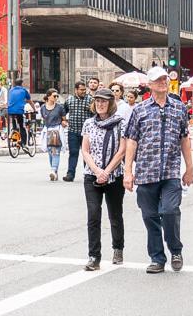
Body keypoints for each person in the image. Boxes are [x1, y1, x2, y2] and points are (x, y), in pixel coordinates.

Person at [124, 66, 193, 274]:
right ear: (150, 85)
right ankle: (157, 258)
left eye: (164, 79)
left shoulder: (179, 107)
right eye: (158, 80)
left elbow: (184, 138)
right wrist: (128, 172)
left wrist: (189, 168)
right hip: (146, 173)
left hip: (171, 172)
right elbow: (131, 142)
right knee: (150, 216)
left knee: (170, 211)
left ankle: (175, 250)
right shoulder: (140, 110)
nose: (163, 82)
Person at [81, 88, 126, 271]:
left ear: (110, 103)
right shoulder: (89, 124)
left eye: (104, 101)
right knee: (93, 215)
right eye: (97, 101)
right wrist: (97, 171)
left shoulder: (120, 123)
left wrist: (106, 171)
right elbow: (85, 150)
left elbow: (122, 150)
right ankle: (94, 256)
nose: (100, 104)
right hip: (92, 175)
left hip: (114, 175)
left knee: (115, 214)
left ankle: (118, 248)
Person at [62, 81, 92, 182]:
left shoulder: (91, 100)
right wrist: (63, 120)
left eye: (85, 89)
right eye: (81, 90)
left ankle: (88, 174)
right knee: (73, 153)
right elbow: (63, 112)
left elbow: (95, 115)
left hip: (87, 133)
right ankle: (70, 174)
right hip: (73, 131)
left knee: (87, 154)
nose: (83, 91)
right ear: (76, 90)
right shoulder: (69, 100)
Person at [40, 89, 67, 181]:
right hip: (47, 131)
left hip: (56, 131)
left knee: (55, 151)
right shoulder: (43, 107)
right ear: (48, 96)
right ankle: (54, 172)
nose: (56, 98)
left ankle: (53, 169)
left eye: (57, 96)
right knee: (50, 152)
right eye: (54, 96)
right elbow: (44, 119)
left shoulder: (59, 107)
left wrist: (64, 122)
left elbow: (64, 119)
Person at [7, 78, 35, 147]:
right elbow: (30, 101)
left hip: (10, 110)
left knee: (14, 126)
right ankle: (24, 143)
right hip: (19, 111)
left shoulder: (10, 90)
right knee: (21, 126)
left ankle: (15, 141)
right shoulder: (24, 90)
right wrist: (34, 109)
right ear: (22, 84)